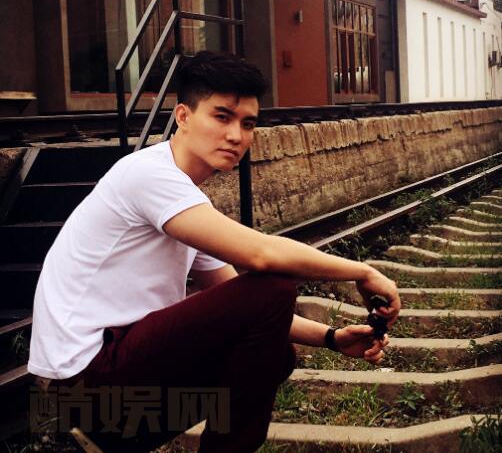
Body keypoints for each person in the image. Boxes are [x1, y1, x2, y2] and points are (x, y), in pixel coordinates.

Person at [28, 51, 400, 453]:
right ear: (183, 116)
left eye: (248, 124)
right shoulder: (148, 175)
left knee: (277, 354)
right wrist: (362, 271)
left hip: (112, 384)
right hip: (81, 385)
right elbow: (261, 256)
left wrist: (331, 338)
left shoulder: (184, 199)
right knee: (273, 288)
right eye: (222, 117)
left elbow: (239, 300)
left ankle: (113, 442)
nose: (236, 136)